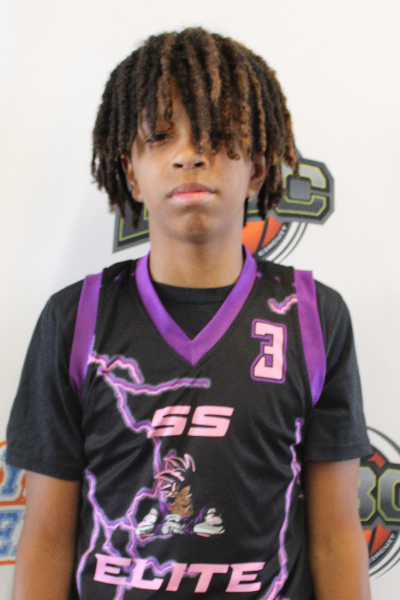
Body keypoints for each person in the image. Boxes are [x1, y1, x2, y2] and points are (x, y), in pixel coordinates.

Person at [6, 27, 372, 600]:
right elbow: (48, 538)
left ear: (257, 168)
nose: (189, 155)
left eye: (217, 136)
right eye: (159, 136)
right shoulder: (75, 319)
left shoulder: (312, 316)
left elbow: (334, 538)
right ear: (130, 172)